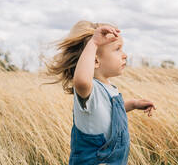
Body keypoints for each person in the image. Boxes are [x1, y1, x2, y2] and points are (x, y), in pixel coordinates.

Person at [43, 20, 156, 165]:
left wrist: (134, 104)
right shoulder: (89, 89)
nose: (125, 55)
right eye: (117, 49)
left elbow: (108, 111)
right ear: (95, 61)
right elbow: (81, 81)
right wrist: (94, 43)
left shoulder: (110, 87)